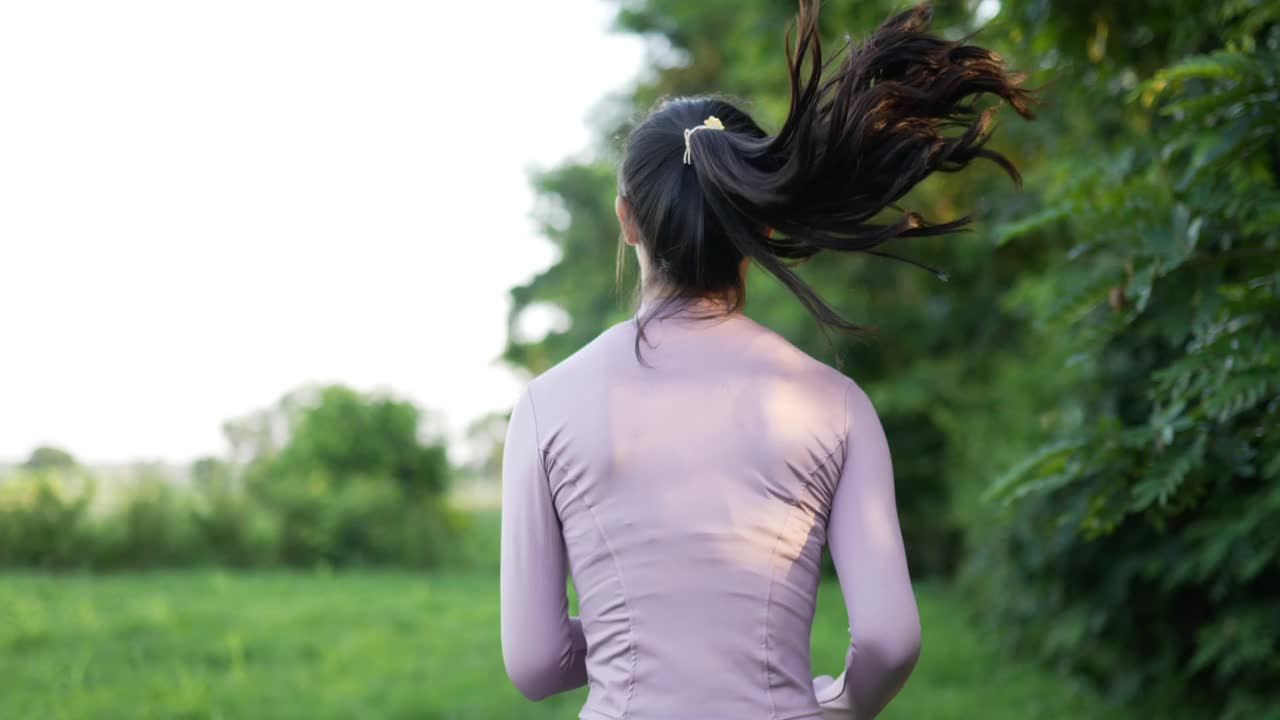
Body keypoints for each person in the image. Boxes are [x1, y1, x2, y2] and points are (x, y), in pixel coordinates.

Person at [499, 2, 1036, 718]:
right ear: (764, 219)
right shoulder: (833, 403)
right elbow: (889, 639)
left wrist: (643, 634)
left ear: (627, 218)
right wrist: (840, 706)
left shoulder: (547, 405)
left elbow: (535, 664)